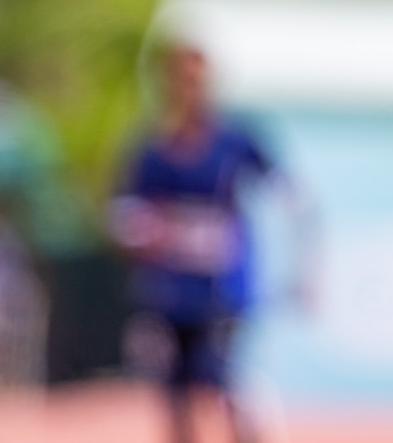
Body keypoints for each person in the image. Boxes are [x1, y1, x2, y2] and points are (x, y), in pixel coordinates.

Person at [112, 42, 305, 443]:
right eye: (182, 79)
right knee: (173, 389)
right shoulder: (151, 148)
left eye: (198, 80)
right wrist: (141, 234)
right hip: (169, 288)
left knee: (225, 379)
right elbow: (126, 212)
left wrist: (305, 266)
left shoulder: (234, 140)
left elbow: (290, 195)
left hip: (222, 286)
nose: (191, 89)